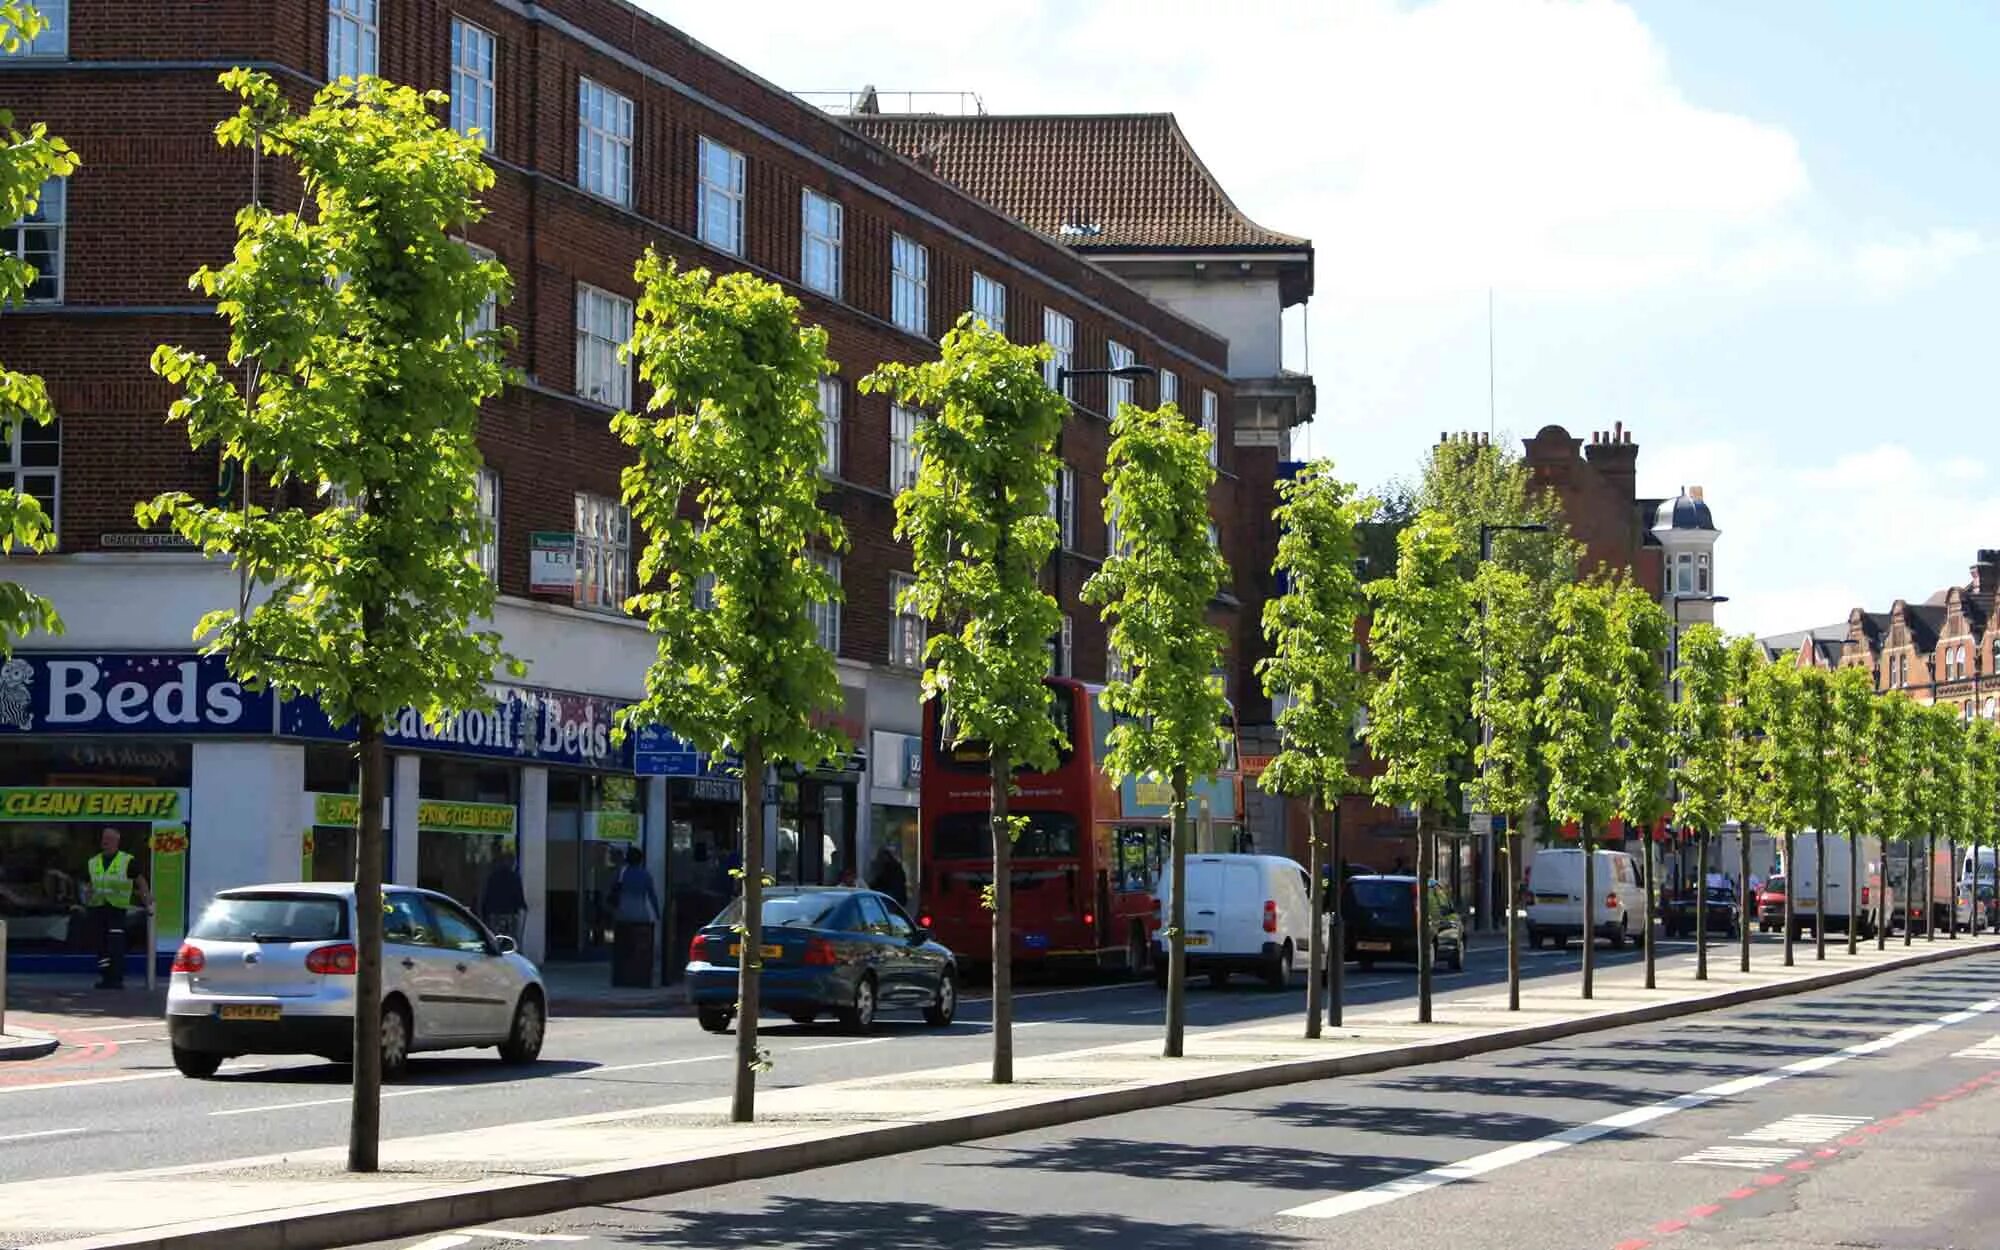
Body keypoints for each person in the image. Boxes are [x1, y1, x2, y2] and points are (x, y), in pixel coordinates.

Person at [83, 828, 150, 990]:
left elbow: (140, 881)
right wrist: (87, 897)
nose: (105, 842)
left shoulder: (126, 861)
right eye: (104, 839)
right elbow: (90, 884)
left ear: (116, 842)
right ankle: (105, 977)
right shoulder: (94, 862)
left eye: (109, 839)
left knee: (115, 944)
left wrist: (146, 897)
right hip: (98, 907)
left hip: (117, 909)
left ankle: (116, 978)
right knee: (101, 945)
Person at [480, 848, 528, 941]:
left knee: (495, 938)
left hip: (495, 912)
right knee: (510, 939)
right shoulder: (514, 877)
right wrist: (523, 905)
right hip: (509, 913)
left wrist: (485, 910)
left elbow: (487, 895)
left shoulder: (493, 876)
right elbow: (518, 894)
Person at [866, 843, 908, 907]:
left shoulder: (890, 867)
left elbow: (882, 880)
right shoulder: (895, 866)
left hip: (893, 896)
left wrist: (870, 886)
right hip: (898, 897)